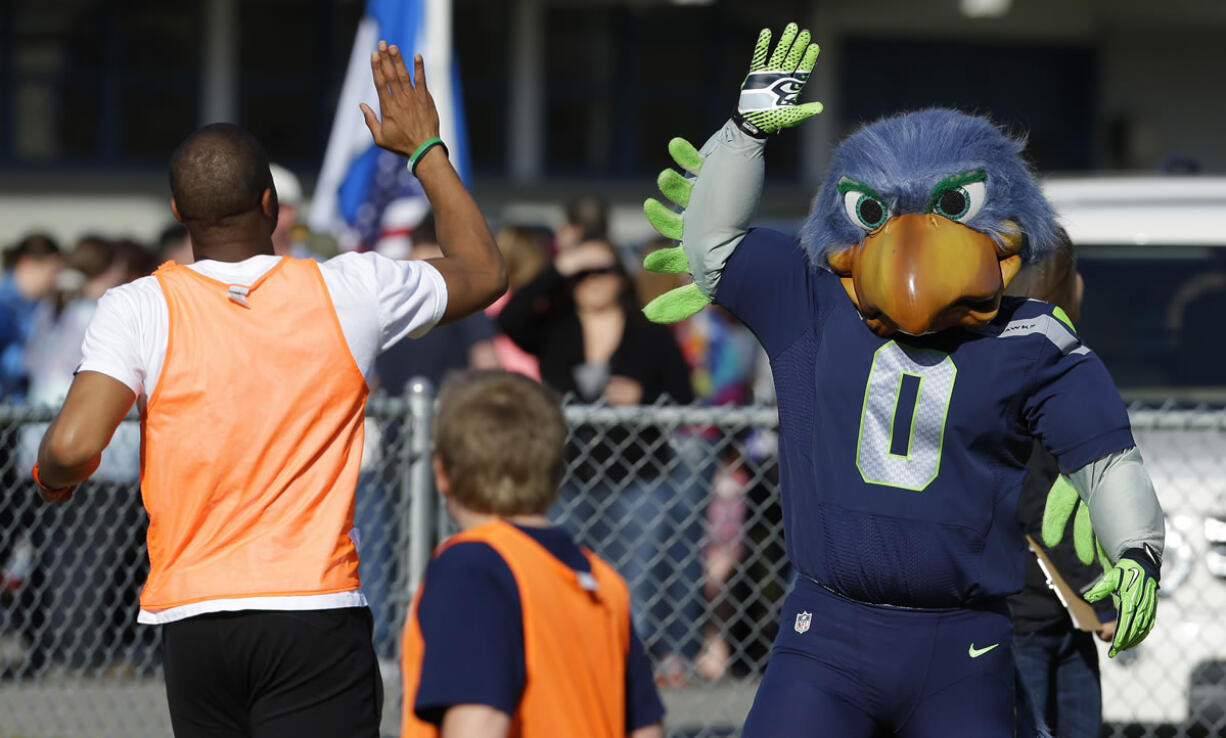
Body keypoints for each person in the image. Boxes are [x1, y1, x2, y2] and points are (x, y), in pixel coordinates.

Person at [640, 22, 1163, 736]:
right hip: (828, 629)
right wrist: (745, 131)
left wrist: (1138, 551)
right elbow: (711, 247)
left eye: (950, 208)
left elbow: (1105, 462)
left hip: (965, 639)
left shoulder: (1029, 336)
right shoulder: (811, 299)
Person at [33, 42, 505, 737]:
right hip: (314, 609)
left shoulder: (137, 306)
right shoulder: (349, 289)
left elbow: (73, 447)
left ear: (178, 209)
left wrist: (52, 479)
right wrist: (425, 149)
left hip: (194, 618)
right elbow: (483, 270)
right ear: (269, 203)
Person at [400, 370, 665, 738]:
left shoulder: (473, 567)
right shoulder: (602, 578)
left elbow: (478, 722)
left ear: (442, 473)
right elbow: (646, 729)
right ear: (556, 471)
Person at [496, 237, 698, 680]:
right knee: (562, 579)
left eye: (603, 270)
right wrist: (562, 263)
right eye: (582, 275)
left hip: (639, 480)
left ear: (621, 277)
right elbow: (509, 317)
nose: (593, 281)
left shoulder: (649, 330)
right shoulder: (554, 327)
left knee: (630, 585)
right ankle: (565, 671)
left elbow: (685, 397)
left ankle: (620, 674)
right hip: (567, 478)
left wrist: (643, 399)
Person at [1005, 234, 1117, 736]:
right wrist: (1101, 597)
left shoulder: (1062, 365)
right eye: (1075, 269)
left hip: (1064, 619)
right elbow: (1036, 504)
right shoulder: (1038, 374)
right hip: (1028, 615)